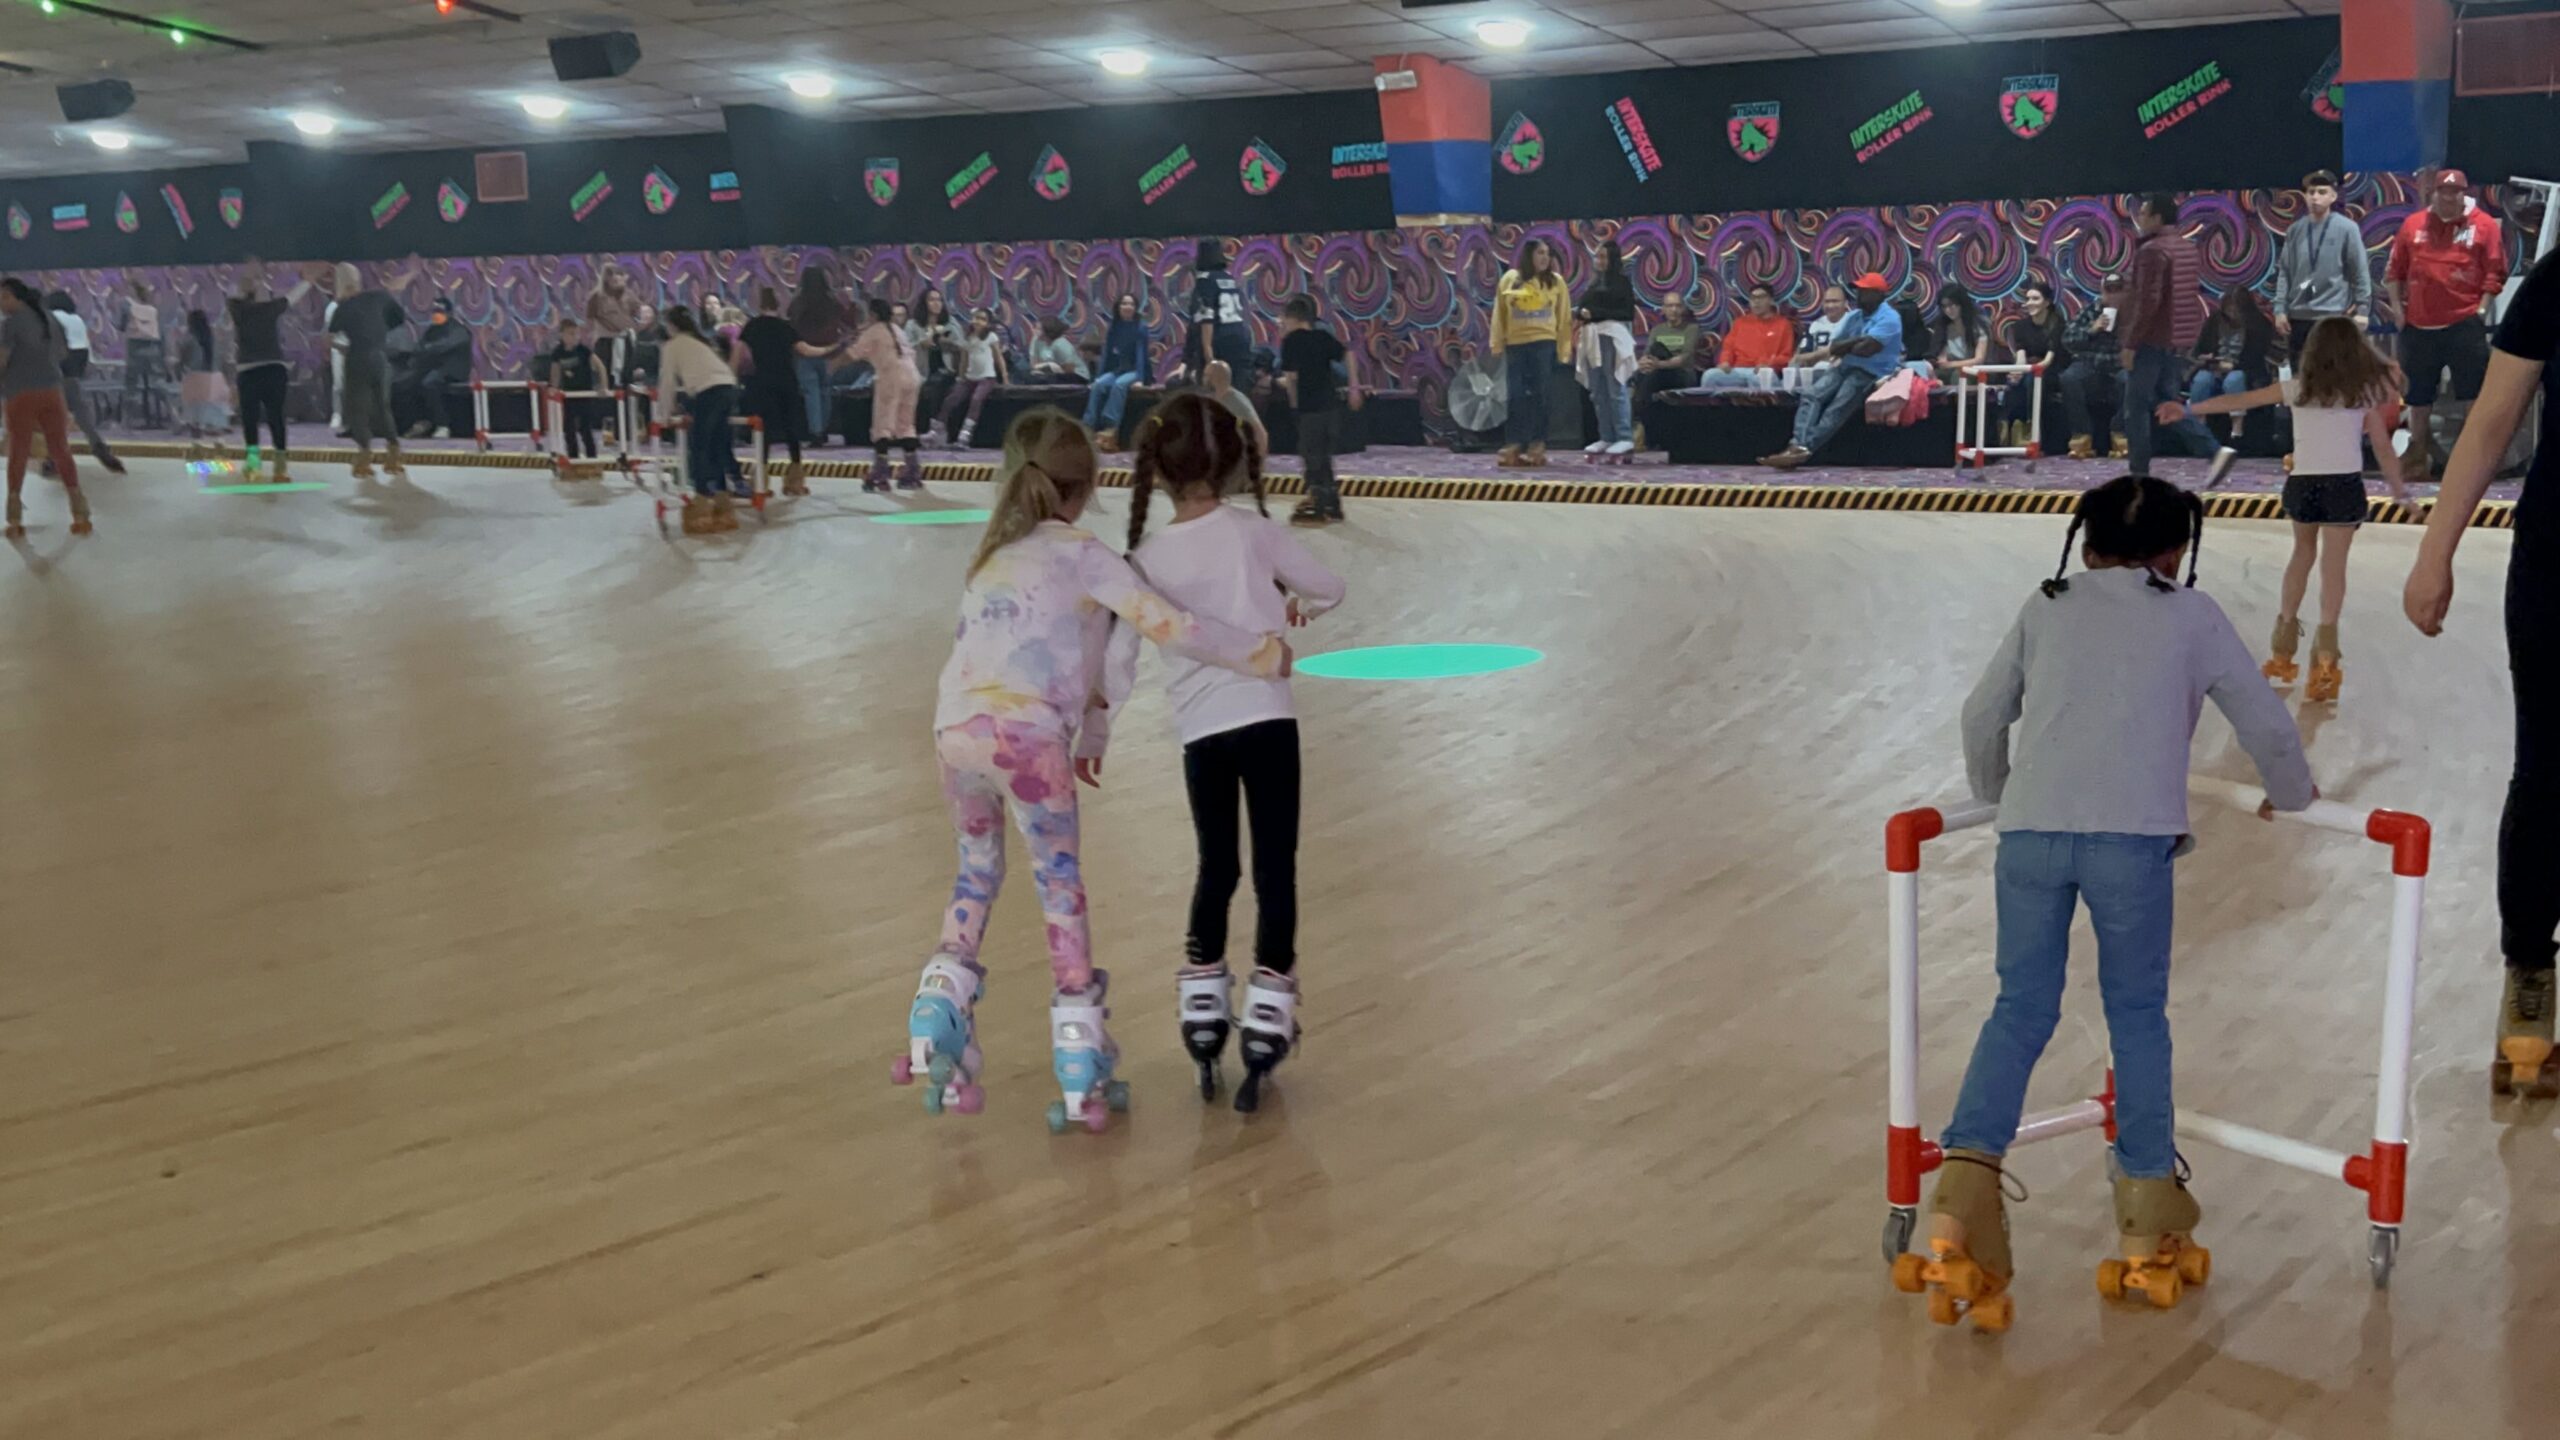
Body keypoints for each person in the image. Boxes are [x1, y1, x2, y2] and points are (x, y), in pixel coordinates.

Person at [1903, 474, 2314, 1330]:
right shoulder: (2191, 616)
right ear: (2174, 553)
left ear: (2084, 546)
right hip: (2131, 843)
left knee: (2018, 1009)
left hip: (2030, 834)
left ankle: (1956, 1206)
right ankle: (2145, 1220)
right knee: (2135, 1013)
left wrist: (2000, 794)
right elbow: (2266, 724)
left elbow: (1984, 716)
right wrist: (2296, 796)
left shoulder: (2046, 604)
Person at [899, 407, 1289, 1129]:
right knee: (1058, 886)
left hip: (953, 730)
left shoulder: (991, 556)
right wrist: (1261, 653)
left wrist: (1093, 730)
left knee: (976, 872)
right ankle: (1079, 1050)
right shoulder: (1084, 554)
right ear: (1088, 485)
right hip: (1027, 738)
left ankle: (936, 1008)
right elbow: (1169, 625)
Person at [1114, 392, 1345, 1110]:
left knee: (1217, 867)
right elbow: (1329, 587)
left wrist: (1090, 731)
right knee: (1277, 869)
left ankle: (1203, 1015)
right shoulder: (1252, 533)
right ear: (1235, 460)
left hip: (1199, 734)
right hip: (1269, 720)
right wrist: (1292, 608)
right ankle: (1268, 1020)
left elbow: (1118, 658)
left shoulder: (1143, 559)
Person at [2402, 247, 2560, 1099]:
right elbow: (2492, 421)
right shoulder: (2556, 282)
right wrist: (2436, 551)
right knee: (2546, 776)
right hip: (2555, 567)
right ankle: (2530, 974)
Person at [2168, 317, 2405, 701]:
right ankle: (2325, 659)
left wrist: (2190, 410)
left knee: (2302, 556)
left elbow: (2239, 401)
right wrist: (2399, 490)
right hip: (2344, 485)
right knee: (2334, 568)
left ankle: (2283, 647)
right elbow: (2383, 447)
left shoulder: (2295, 389)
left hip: (2303, 485)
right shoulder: (2362, 395)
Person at [2387, 168, 2507, 476]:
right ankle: (2417, 453)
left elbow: (2495, 271)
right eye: (2443, 191)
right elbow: (2394, 272)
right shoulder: (2413, 225)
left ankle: (2473, 456)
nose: (2449, 197)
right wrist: (2399, 314)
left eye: (2455, 192)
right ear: (2434, 193)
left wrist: (2481, 310)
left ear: (2464, 193)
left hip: (2463, 323)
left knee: (2472, 391)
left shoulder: (2483, 225)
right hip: (2419, 326)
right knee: (2417, 394)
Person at [2121, 194, 2238, 486]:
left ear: (2158, 218)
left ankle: (2139, 473)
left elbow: (2148, 302)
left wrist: (2131, 343)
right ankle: (2214, 450)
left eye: (2145, 213)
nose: (2140, 218)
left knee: (2135, 408)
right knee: (2168, 403)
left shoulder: (2152, 252)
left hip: (2151, 340)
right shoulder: (2187, 249)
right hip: (2177, 341)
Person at [1757, 272, 1902, 470]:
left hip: (1871, 372)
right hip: (1845, 365)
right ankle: (1798, 446)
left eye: (1863, 292)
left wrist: (1848, 345)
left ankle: (1800, 449)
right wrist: (1853, 343)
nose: (1857, 295)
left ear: (1878, 294)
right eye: (1857, 291)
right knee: (1811, 395)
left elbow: (1866, 350)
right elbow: (1835, 345)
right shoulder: (1854, 316)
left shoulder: (1890, 317)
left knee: (1837, 407)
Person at [0, 278, 92, 538]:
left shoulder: (10, 325)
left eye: (3, 297)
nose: (0, 303)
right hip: (53, 392)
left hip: (20, 394)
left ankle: (15, 518)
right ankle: (80, 512)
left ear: (14, 297)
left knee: (18, 450)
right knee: (60, 449)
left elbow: (2, 360)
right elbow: (61, 355)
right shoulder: (49, 319)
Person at [659, 304, 746, 533]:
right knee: (718, 443)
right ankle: (722, 499)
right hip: (728, 388)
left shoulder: (673, 345)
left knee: (700, 446)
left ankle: (702, 500)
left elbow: (667, 383)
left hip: (708, 392)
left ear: (671, 325)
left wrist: (663, 416)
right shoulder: (701, 342)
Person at [2272, 169, 2372, 365]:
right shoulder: (2295, 230)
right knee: (2299, 378)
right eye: (2311, 192)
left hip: (2332, 316)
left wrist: (2363, 310)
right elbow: (2285, 272)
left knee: (2333, 377)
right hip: (2298, 317)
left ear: (2333, 196)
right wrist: (2279, 309)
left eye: (2321, 192)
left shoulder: (2347, 229)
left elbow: (2359, 270)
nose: (2315, 197)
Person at [1278, 294, 1360, 524]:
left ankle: (1317, 502)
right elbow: (1349, 354)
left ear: (1293, 318)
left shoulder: (1291, 341)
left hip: (1310, 409)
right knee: (1324, 455)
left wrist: (1294, 407)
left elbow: (1291, 378)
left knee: (1311, 455)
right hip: (1331, 407)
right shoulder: (1323, 336)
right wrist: (1354, 387)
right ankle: (1332, 503)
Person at [1489, 237, 1571, 467]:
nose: (1545, 258)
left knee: (1540, 395)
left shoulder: (1556, 282)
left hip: (1544, 343)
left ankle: (1537, 443)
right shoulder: (1510, 279)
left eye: (1548, 253)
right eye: (1540, 253)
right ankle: (1515, 442)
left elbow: (1564, 318)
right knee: (1515, 395)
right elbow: (1499, 313)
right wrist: (1496, 342)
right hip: (1516, 344)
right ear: (1528, 256)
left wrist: (1564, 349)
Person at [228, 261, 313, 482]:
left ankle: (254, 465)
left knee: (250, 419)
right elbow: (292, 297)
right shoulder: (269, 308)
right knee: (276, 417)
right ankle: (280, 467)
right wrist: (308, 280)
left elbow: (236, 294)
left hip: (248, 371)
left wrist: (249, 278)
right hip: (274, 369)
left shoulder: (237, 309)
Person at [738, 288, 818, 495]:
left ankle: (760, 482)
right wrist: (832, 349)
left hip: (761, 384)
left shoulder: (751, 327)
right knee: (792, 431)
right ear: (777, 305)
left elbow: (740, 356)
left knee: (762, 432)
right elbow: (806, 350)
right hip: (786, 383)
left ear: (759, 305)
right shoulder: (786, 327)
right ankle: (795, 481)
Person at [43, 289, 123, 477]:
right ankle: (97, 444)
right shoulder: (77, 319)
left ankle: (53, 457)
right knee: (77, 408)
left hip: (57, 364)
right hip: (76, 363)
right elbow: (84, 347)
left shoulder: (51, 317)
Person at [848, 297, 924, 492]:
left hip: (891, 379)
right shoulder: (897, 330)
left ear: (872, 314)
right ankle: (912, 471)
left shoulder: (874, 331)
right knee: (905, 424)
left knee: (882, 425)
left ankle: (880, 473)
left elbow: (853, 354)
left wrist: (831, 364)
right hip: (912, 377)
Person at [2186, 287, 2277, 439]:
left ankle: (2237, 427)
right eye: (2229, 309)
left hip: (2244, 369)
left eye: (2236, 309)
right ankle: (2199, 426)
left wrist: (2233, 365)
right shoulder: (2214, 320)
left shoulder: (2258, 324)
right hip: (2214, 367)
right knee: (2201, 380)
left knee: (2234, 380)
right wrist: (2207, 358)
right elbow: (2199, 350)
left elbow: (2257, 357)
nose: (2232, 313)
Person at [1575, 240, 1638, 457]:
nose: (1599, 261)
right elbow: (1583, 307)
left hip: (1611, 336)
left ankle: (1624, 436)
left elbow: (1626, 312)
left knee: (1615, 388)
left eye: (1603, 257)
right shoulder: (1593, 284)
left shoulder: (1621, 283)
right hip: (1592, 338)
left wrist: (1595, 314)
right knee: (1598, 390)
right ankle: (1606, 435)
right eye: (1597, 256)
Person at [2061, 276, 2130, 458]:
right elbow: (2067, 339)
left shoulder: (2133, 313)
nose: (2113, 295)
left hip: (2118, 366)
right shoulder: (2091, 311)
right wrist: (2092, 328)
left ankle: (2120, 433)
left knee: (2131, 379)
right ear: (2102, 292)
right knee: (2069, 378)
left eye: (2118, 290)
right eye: (2109, 290)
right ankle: (2082, 436)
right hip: (2090, 365)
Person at [1997, 282, 2071, 445]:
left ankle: (2032, 428)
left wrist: (2028, 370)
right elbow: (2021, 356)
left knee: (2032, 380)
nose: (2029, 303)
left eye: (2035, 298)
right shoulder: (2020, 327)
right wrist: (2017, 371)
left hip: (2053, 370)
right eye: (2028, 299)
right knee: (2013, 382)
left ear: (2047, 302)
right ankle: (2008, 427)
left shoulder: (2058, 325)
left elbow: (2048, 360)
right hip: (2031, 369)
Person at [395, 298, 471, 441]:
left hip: (453, 371)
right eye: (435, 311)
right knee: (404, 382)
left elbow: (442, 347)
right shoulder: (432, 330)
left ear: (449, 313)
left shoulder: (458, 330)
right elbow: (420, 347)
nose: (436, 315)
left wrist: (427, 349)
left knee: (429, 383)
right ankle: (419, 421)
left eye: (440, 312)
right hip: (433, 369)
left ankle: (443, 425)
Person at [788, 270, 849, 438]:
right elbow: (847, 322)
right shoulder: (832, 303)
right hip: (830, 354)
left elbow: (791, 324)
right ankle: (825, 427)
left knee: (811, 393)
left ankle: (816, 431)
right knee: (825, 390)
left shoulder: (798, 304)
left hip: (804, 354)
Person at [1698, 282, 1794, 388]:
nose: (1756, 302)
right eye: (1753, 298)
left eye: (1761, 297)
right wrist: (1725, 362)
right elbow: (1728, 348)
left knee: (1762, 378)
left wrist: (1768, 364)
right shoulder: (1740, 322)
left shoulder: (1783, 324)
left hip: (1763, 371)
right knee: (1710, 376)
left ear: (1771, 301)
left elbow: (1786, 357)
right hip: (1737, 371)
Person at [1632, 296, 1702, 444]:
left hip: (1682, 374)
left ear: (1683, 308)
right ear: (1663, 310)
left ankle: (1638, 425)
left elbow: (1684, 359)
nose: (1674, 310)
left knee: (1651, 374)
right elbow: (1647, 355)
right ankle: (1643, 429)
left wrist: (1658, 365)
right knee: (1642, 373)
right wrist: (1644, 364)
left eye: (1677, 306)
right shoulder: (1658, 330)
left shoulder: (1692, 329)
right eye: (1669, 306)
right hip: (1657, 371)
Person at [1084, 293, 1149, 450]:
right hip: (1117, 369)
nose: (1128, 307)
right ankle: (1088, 424)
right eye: (1124, 304)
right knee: (1099, 385)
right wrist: (1098, 377)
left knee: (1119, 385)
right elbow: (1107, 355)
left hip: (1135, 370)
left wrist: (1140, 378)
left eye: (1131, 304)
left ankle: (1110, 426)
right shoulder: (1114, 326)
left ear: (1135, 308)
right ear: (1118, 307)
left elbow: (1141, 354)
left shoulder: (1141, 327)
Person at [938, 307, 1008, 447]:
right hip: (969, 378)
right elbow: (964, 360)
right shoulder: (968, 338)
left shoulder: (991, 337)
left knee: (976, 399)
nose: (978, 321)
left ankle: (965, 435)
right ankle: (938, 431)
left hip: (986, 378)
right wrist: (961, 377)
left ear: (988, 323)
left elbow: (998, 358)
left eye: (982, 319)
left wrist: (1005, 377)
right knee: (951, 399)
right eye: (976, 318)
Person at [1185, 238, 1251, 383]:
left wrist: (1209, 356)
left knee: (1214, 393)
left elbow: (1206, 318)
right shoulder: (1230, 278)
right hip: (1240, 340)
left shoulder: (1204, 280)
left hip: (1219, 342)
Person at [543, 317, 603, 463]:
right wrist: (553, 387)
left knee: (585, 429)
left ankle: (592, 459)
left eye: (577, 334)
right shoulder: (557, 353)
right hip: (569, 396)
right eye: (571, 334)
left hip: (585, 394)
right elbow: (555, 373)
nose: (575, 337)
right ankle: (573, 458)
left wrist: (603, 387)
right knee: (569, 430)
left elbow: (601, 367)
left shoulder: (583, 351)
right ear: (562, 335)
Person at [908, 288, 963, 436]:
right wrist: (921, 344)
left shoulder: (951, 323)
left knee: (937, 383)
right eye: (932, 300)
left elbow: (962, 347)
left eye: (939, 300)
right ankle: (921, 429)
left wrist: (949, 344)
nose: (936, 303)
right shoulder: (913, 325)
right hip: (920, 369)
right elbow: (905, 348)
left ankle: (934, 429)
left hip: (947, 369)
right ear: (924, 303)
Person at [116, 279, 164, 429]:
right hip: (152, 347)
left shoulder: (127, 305)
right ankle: (174, 415)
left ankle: (126, 421)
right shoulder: (151, 309)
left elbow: (122, 326)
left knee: (131, 385)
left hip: (135, 347)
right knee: (157, 383)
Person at [177, 308, 228, 447]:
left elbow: (182, 361)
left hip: (196, 380)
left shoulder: (189, 339)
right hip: (216, 380)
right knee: (216, 418)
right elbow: (222, 360)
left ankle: (197, 447)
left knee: (195, 419)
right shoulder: (215, 339)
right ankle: (220, 446)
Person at [586, 263, 640, 391]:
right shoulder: (596, 297)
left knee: (627, 378)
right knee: (606, 377)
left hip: (625, 342)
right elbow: (590, 319)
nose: (615, 278)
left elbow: (637, 313)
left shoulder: (630, 295)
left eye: (619, 274)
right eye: (611, 275)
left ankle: (627, 406)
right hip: (606, 343)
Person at [1203, 358, 1265, 465]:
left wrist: (1257, 463)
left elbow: (1260, 433)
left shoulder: (1237, 402)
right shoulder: (1210, 400)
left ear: (1217, 379)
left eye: (1208, 376)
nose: (1204, 379)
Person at [1930, 289, 1990, 381]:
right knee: (1934, 375)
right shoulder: (1943, 327)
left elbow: (1979, 359)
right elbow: (1942, 355)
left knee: (1958, 376)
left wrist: (1951, 364)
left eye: (1951, 305)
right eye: (1944, 306)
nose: (1948, 310)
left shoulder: (1977, 326)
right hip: (1951, 368)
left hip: (1976, 369)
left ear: (1961, 304)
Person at [1795, 285, 1851, 369]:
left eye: (1835, 301)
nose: (1830, 305)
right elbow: (1800, 358)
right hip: (1817, 374)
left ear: (1846, 303)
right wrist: (1824, 355)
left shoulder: (1853, 323)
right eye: (1827, 301)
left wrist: (1816, 357)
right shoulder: (1815, 326)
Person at [1029, 316, 1088, 380]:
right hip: (1051, 373)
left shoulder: (1061, 344)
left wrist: (1052, 367)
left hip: (1076, 375)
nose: (1035, 331)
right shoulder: (1036, 340)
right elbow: (1034, 365)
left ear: (1047, 331)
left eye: (1038, 329)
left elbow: (1069, 370)